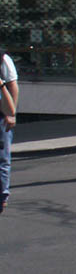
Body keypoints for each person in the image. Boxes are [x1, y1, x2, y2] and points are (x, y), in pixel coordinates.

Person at [1, 46, 17, 217]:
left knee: (2, 157)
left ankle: (2, 195)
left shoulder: (2, 59)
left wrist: (11, 115)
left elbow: (13, 86)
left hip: (1, 115)